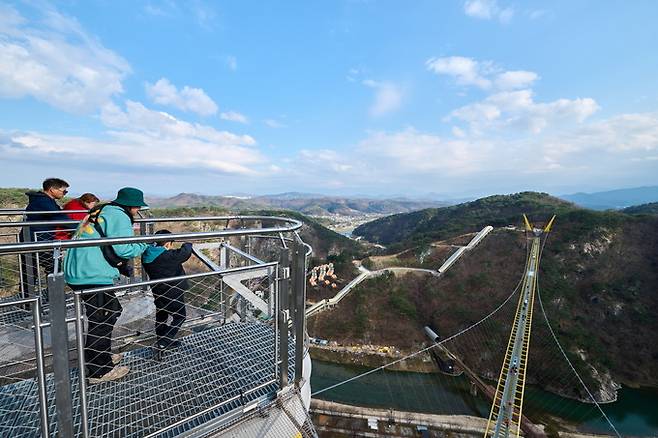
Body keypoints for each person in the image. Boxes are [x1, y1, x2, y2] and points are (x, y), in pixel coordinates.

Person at [64, 187, 149, 383]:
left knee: (108, 312)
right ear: (131, 206)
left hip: (80, 268)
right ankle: (98, 370)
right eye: (136, 207)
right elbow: (124, 248)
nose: (137, 211)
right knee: (102, 319)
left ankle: (99, 356)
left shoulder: (103, 210)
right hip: (91, 273)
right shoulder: (120, 216)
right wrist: (144, 243)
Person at [142, 230, 192, 359]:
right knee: (180, 317)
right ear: (168, 243)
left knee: (162, 316)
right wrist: (188, 242)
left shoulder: (147, 255)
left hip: (158, 291)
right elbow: (185, 253)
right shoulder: (168, 256)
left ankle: (162, 340)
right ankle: (163, 343)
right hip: (173, 292)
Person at [24, 178, 71, 277]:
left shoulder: (44, 200)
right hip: (38, 240)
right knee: (53, 268)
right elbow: (61, 218)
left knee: (31, 270)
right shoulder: (44, 202)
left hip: (36, 238)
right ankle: (52, 292)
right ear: (52, 189)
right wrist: (81, 227)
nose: (65, 193)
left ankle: (28, 291)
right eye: (64, 191)